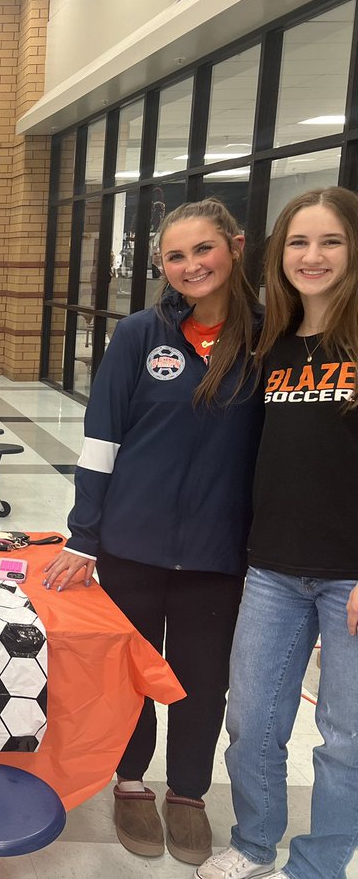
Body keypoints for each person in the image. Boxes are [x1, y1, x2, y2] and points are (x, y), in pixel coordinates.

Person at [43, 198, 264, 866]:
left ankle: (190, 793)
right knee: (133, 671)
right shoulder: (141, 334)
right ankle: (131, 779)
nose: (191, 265)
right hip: (130, 543)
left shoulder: (265, 337)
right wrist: (85, 535)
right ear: (161, 266)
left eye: (203, 249)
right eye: (175, 255)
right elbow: (102, 438)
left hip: (217, 552)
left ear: (235, 247)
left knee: (202, 679)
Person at [198, 187, 358, 879]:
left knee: (344, 741)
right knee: (254, 726)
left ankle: (319, 867)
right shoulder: (274, 346)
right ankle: (256, 843)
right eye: (299, 242)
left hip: (351, 574)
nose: (312, 256)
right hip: (272, 570)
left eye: (330, 241)